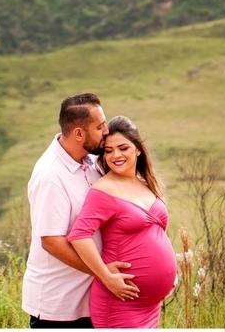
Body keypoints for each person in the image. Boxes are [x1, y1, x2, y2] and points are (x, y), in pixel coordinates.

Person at [22, 94, 139, 329]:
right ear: (78, 133)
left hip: (92, 301)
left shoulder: (90, 162)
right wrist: (104, 273)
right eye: (99, 126)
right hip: (59, 307)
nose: (106, 131)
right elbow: (52, 242)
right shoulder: (51, 176)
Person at [67, 115, 177, 329]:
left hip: (149, 306)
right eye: (108, 151)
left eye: (123, 148)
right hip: (120, 302)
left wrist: (169, 274)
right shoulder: (104, 190)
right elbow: (79, 236)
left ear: (138, 149)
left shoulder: (147, 184)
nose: (115, 155)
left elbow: (157, 233)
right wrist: (106, 276)